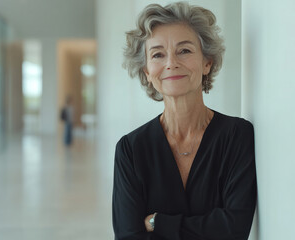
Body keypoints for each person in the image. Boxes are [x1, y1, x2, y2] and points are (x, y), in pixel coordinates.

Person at [113, 2, 256, 240]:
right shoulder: (131, 149)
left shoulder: (237, 135)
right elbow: (129, 236)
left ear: (207, 62)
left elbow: (235, 229)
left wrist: (159, 222)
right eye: (158, 54)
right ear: (147, 71)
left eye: (184, 50)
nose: (171, 63)